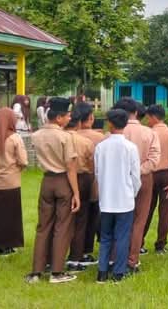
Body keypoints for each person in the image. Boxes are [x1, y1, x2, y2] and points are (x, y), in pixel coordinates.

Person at [26, 98, 81, 284]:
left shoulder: (36, 135)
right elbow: (71, 167)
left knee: (43, 227)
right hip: (63, 181)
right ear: (59, 117)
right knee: (62, 227)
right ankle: (57, 272)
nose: (70, 118)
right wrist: (76, 193)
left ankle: (36, 271)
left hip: (46, 181)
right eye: (68, 115)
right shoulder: (66, 137)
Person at [93, 109, 142, 283]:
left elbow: (97, 173)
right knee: (122, 236)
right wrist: (133, 193)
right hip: (125, 199)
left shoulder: (101, 146)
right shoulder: (130, 147)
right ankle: (119, 272)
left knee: (105, 236)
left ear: (110, 124)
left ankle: (102, 272)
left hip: (106, 199)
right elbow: (136, 176)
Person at [116, 98, 160, 270]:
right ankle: (132, 258)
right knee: (139, 219)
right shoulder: (149, 133)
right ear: (135, 112)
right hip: (144, 178)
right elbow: (154, 159)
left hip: (120, 178)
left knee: (120, 218)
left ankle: (116, 256)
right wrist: (139, 170)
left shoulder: (114, 132)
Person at [0, 107, 28, 256]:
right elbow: (23, 160)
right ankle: (8, 245)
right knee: (10, 215)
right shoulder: (15, 138)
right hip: (11, 182)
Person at [144, 104, 168, 254]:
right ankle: (161, 244)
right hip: (167, 174)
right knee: (166, 211)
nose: (147, 121)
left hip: (150, 174)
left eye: (148, 118)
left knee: (145, 209)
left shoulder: (148, 133)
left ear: (154, 118)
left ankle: (139, 241)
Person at [66, 103, 98, 272]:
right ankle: (80, 254)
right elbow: (93, 165)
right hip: (85, 178)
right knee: (83, 218)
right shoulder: (94, 139)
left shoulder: (63, 137)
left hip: (63, 178)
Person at [74, 110, 107, 268]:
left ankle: (72, 250)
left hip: (70, 180)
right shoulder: (100, 138)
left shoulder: (70, 135)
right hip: (91, 180)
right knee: (90, 217)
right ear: (91, 118)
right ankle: (85, 250)